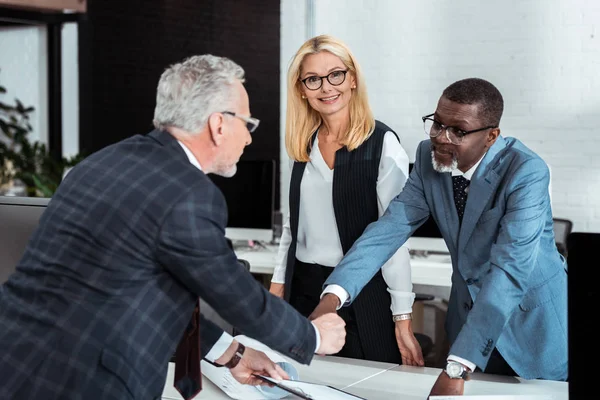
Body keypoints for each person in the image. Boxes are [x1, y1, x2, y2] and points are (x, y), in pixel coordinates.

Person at [0, 54, 346, 400]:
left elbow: (144, 298)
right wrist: (312, 336)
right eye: (248, 124)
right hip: (84, 382)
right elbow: (237, 296)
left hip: (17, 360)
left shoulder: (99, 164)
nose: (249, 139)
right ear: (219, 124)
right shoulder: (188, 192)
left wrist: (234, 355)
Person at [310, 77, 568, 397]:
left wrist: (457, 365)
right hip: (467, 323)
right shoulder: (428, 157)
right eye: (436, 123)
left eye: (457, 131)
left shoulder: (525, 172)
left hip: (532, 329)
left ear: (491, 136)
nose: (441, 138)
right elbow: (387, 230)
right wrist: (331, 298)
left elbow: (510, 271)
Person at [268, 34, 424, 366]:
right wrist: (277, 287)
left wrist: (402, 317)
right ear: (301, 89)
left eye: (335, 74)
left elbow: (392, 239)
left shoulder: (382, 144)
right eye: (313, 79)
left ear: (352, 78)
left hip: (363, 293)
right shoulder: (302, 146)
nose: (326, 87)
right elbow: (291, 229)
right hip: (303, 288)